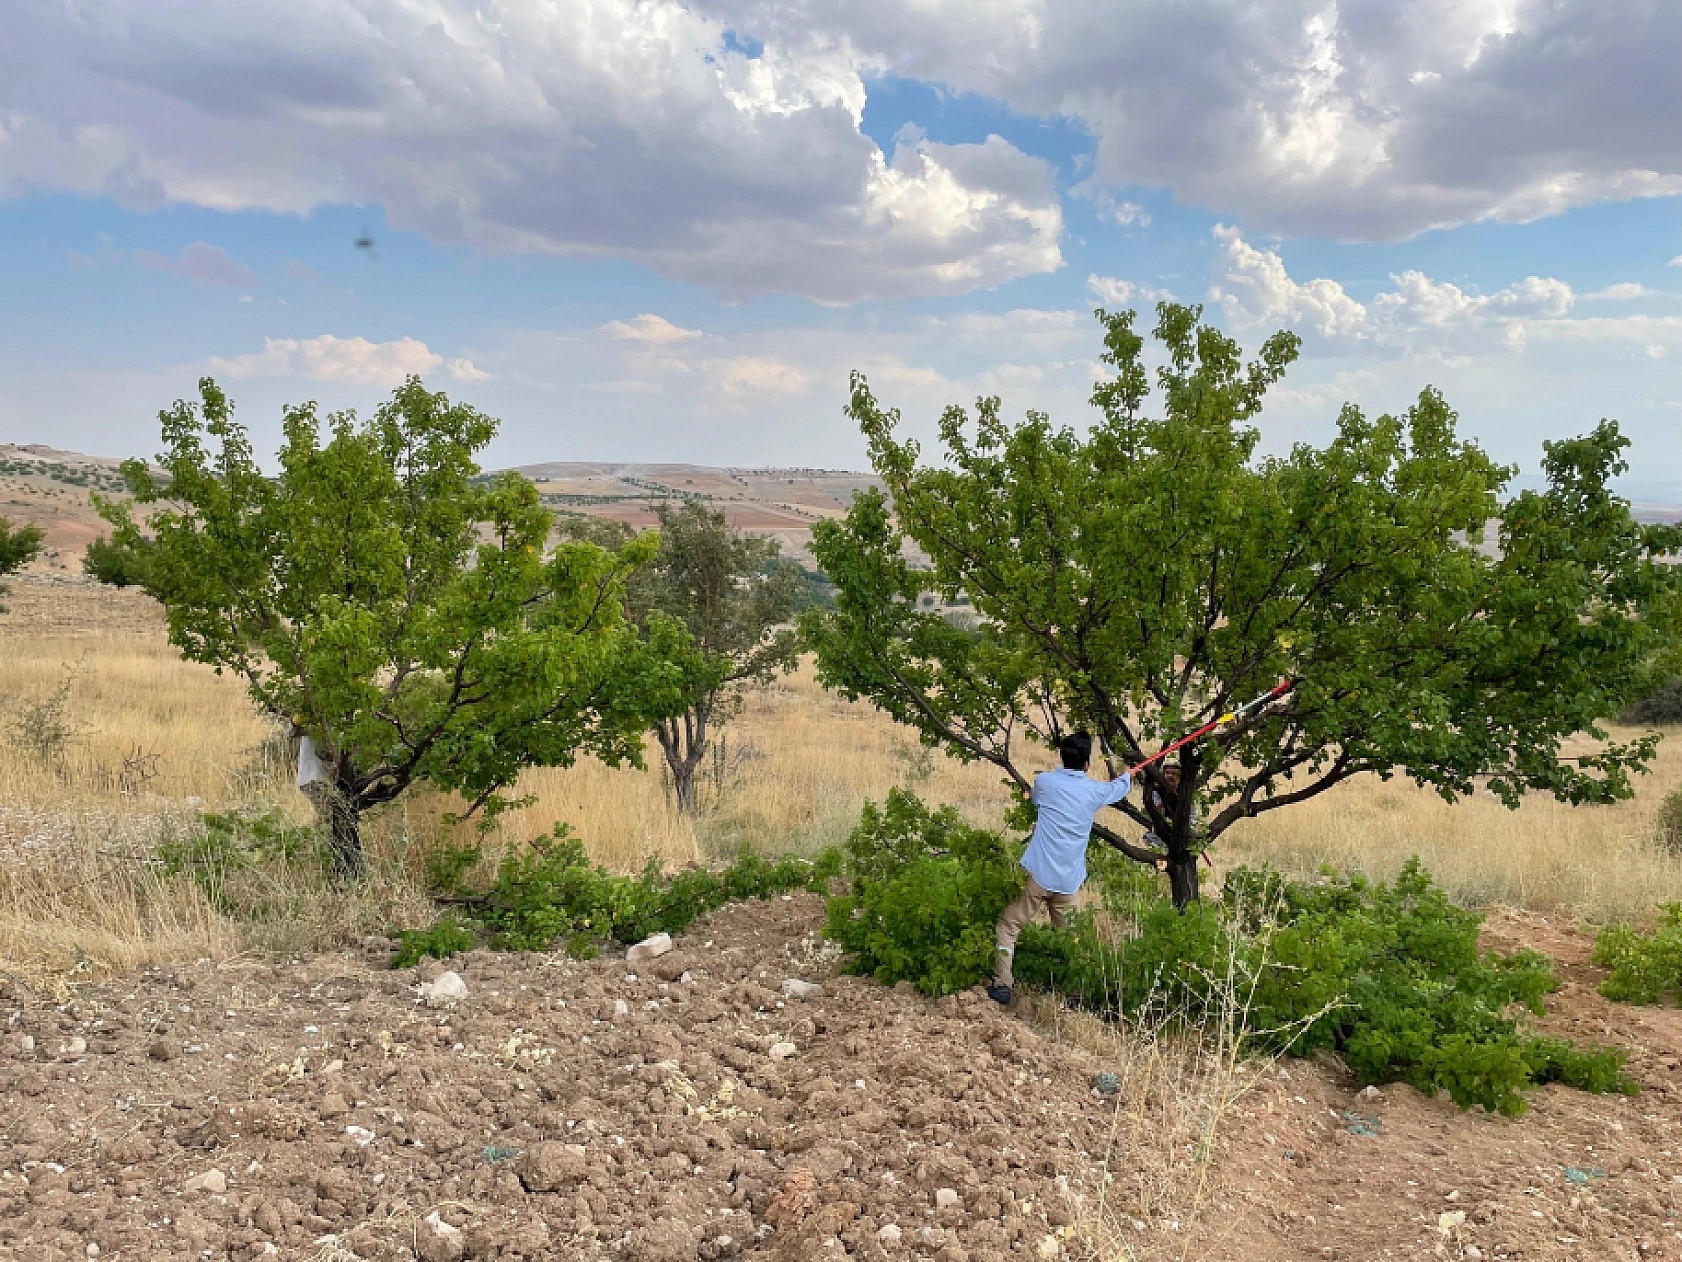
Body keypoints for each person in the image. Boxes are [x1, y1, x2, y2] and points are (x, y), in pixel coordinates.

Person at [989, 731, 1132, 1006]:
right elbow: (1117, 790)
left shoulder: (1044, 782)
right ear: (1087, 764)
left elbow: (1035, 799)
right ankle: (1076, 995)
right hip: (1068, 881)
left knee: (1008, 926)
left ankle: (1002, 984)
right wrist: (1127, 776)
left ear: (1062, 758)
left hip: (1037, 875)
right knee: (1072, 939)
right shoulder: (1095, 791)